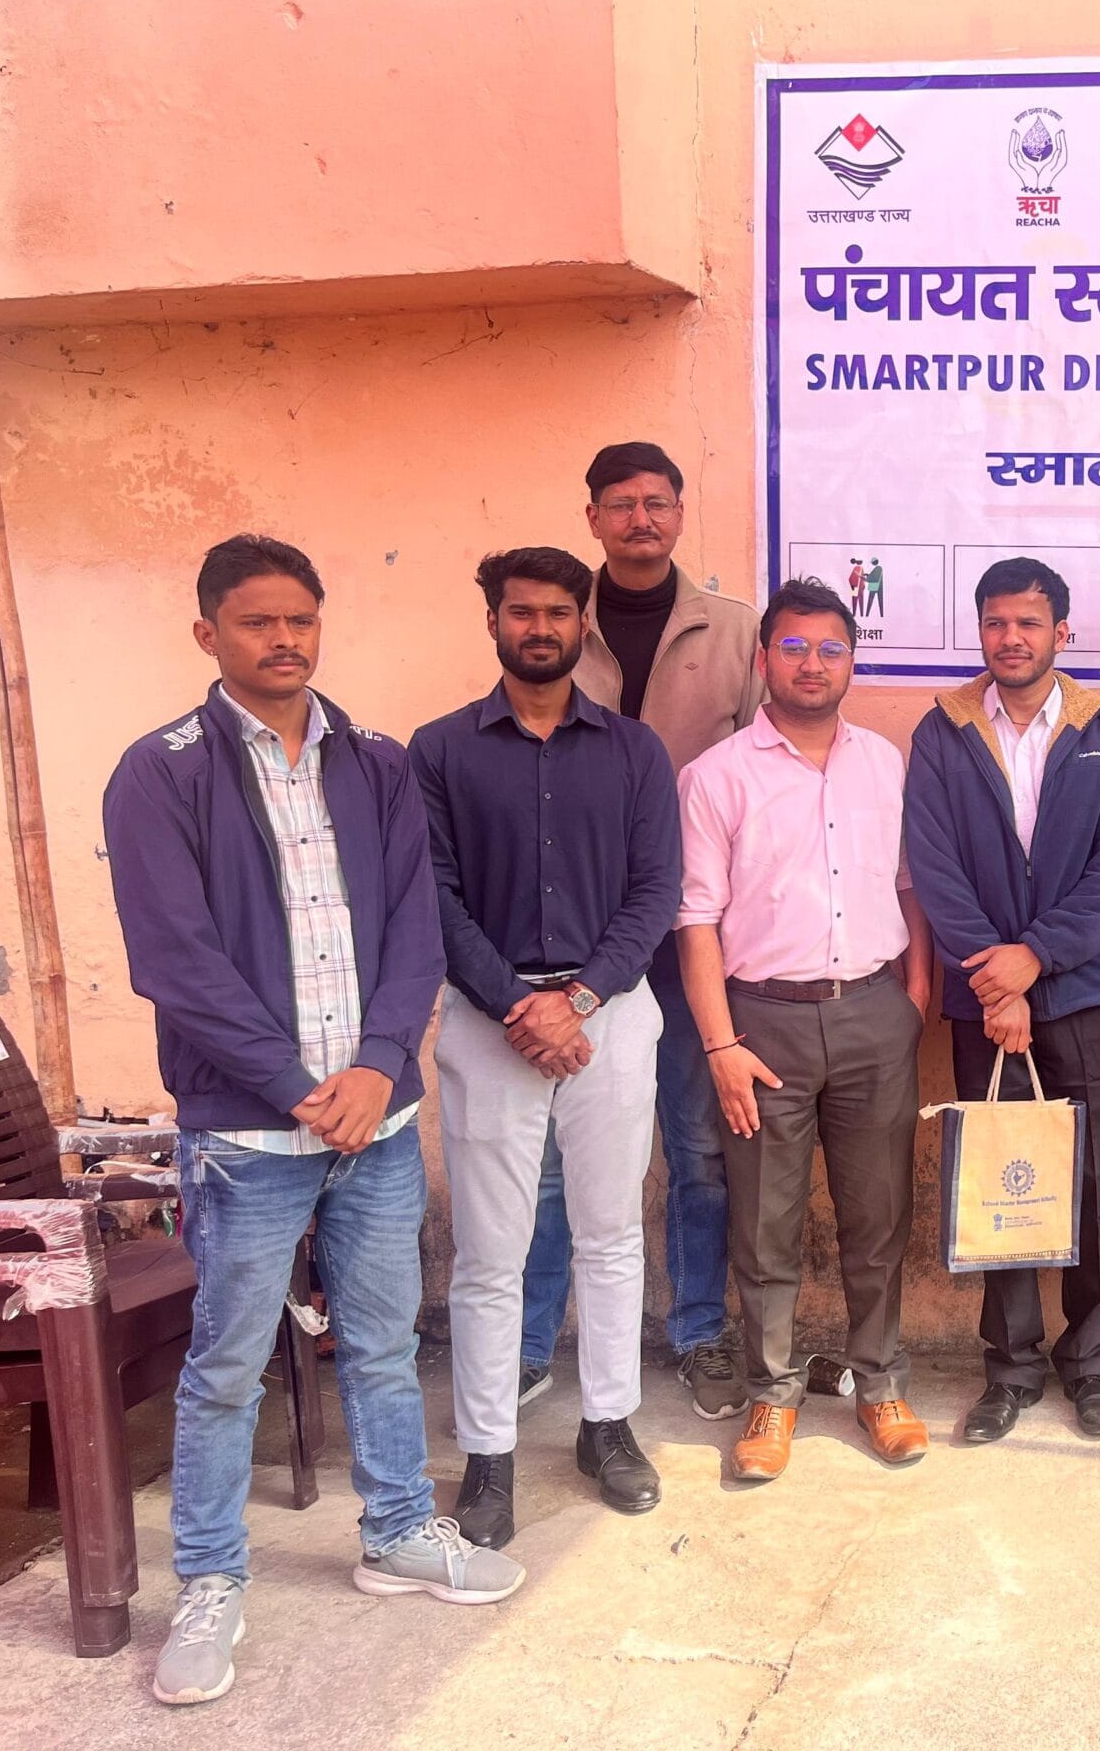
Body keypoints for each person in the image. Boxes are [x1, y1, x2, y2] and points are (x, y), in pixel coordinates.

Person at [104, 535, 521, 1709]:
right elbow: (174, 962)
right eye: (258, 622)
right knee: (227, 1368)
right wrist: (297, 1087)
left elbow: (413, 932)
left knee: (384, 1344)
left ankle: (396, 1532)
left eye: (301, 619)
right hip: (249, 1139)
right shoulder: (161, 773)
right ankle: (209, 1581)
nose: (284, 639)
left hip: (376, 1128)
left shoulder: (376, 762)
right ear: (209, 635)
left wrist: (381, 1067)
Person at [410, 547, 681, 1545]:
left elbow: (656, 890)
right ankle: (489, 1454)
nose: (539, 627)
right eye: (520, 611)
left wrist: (580, 998)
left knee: (611, 1234)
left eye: (557, 612)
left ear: (581, 625)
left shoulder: (634, 751)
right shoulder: (438, 751)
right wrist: (517, 1004)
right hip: (492, 1024)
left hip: (610, 1015)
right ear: (492, 622)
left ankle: (608, 1426)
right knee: (490, 1252)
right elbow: (431, 894)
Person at [519, 441, 766, 1424]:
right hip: (573, 936)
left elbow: (762, 775)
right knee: (549, 1151)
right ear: (592, 518)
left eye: (657, 503)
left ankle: (699, 1332)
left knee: (697, 1145)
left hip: (692, 937)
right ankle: (531, 1341)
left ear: (680, 513)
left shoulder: (733, 630)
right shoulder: (554, 624)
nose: (640, 520)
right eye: (620, 504)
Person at [676, 578, 937, 1483]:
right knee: (764, 1227)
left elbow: (909, 884)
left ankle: (881, 1383)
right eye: (793, 648)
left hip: (874, 1015)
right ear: (764, 660)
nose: (812, 665)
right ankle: (773, 1394)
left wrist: (915, 993)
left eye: (831, 649)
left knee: (879, 1218)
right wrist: (720, 1045)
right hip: (762, 1026)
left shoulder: (885, 763)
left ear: (853, 661)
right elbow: (696, 919)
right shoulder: (715, 777)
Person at [903, 557, 1100, 1442]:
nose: (1012, 639)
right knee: (999, 1176)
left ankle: (1091, 1363)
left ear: (1061, 633)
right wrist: (994, 979)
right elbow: (934, 868)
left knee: (1092, 1180)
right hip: (983, 1002)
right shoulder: (943, 733)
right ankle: (1010, 1369)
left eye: (1029, 623)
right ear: (981, 631)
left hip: (1081, 994)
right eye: (997, 623)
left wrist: (1034, 960)